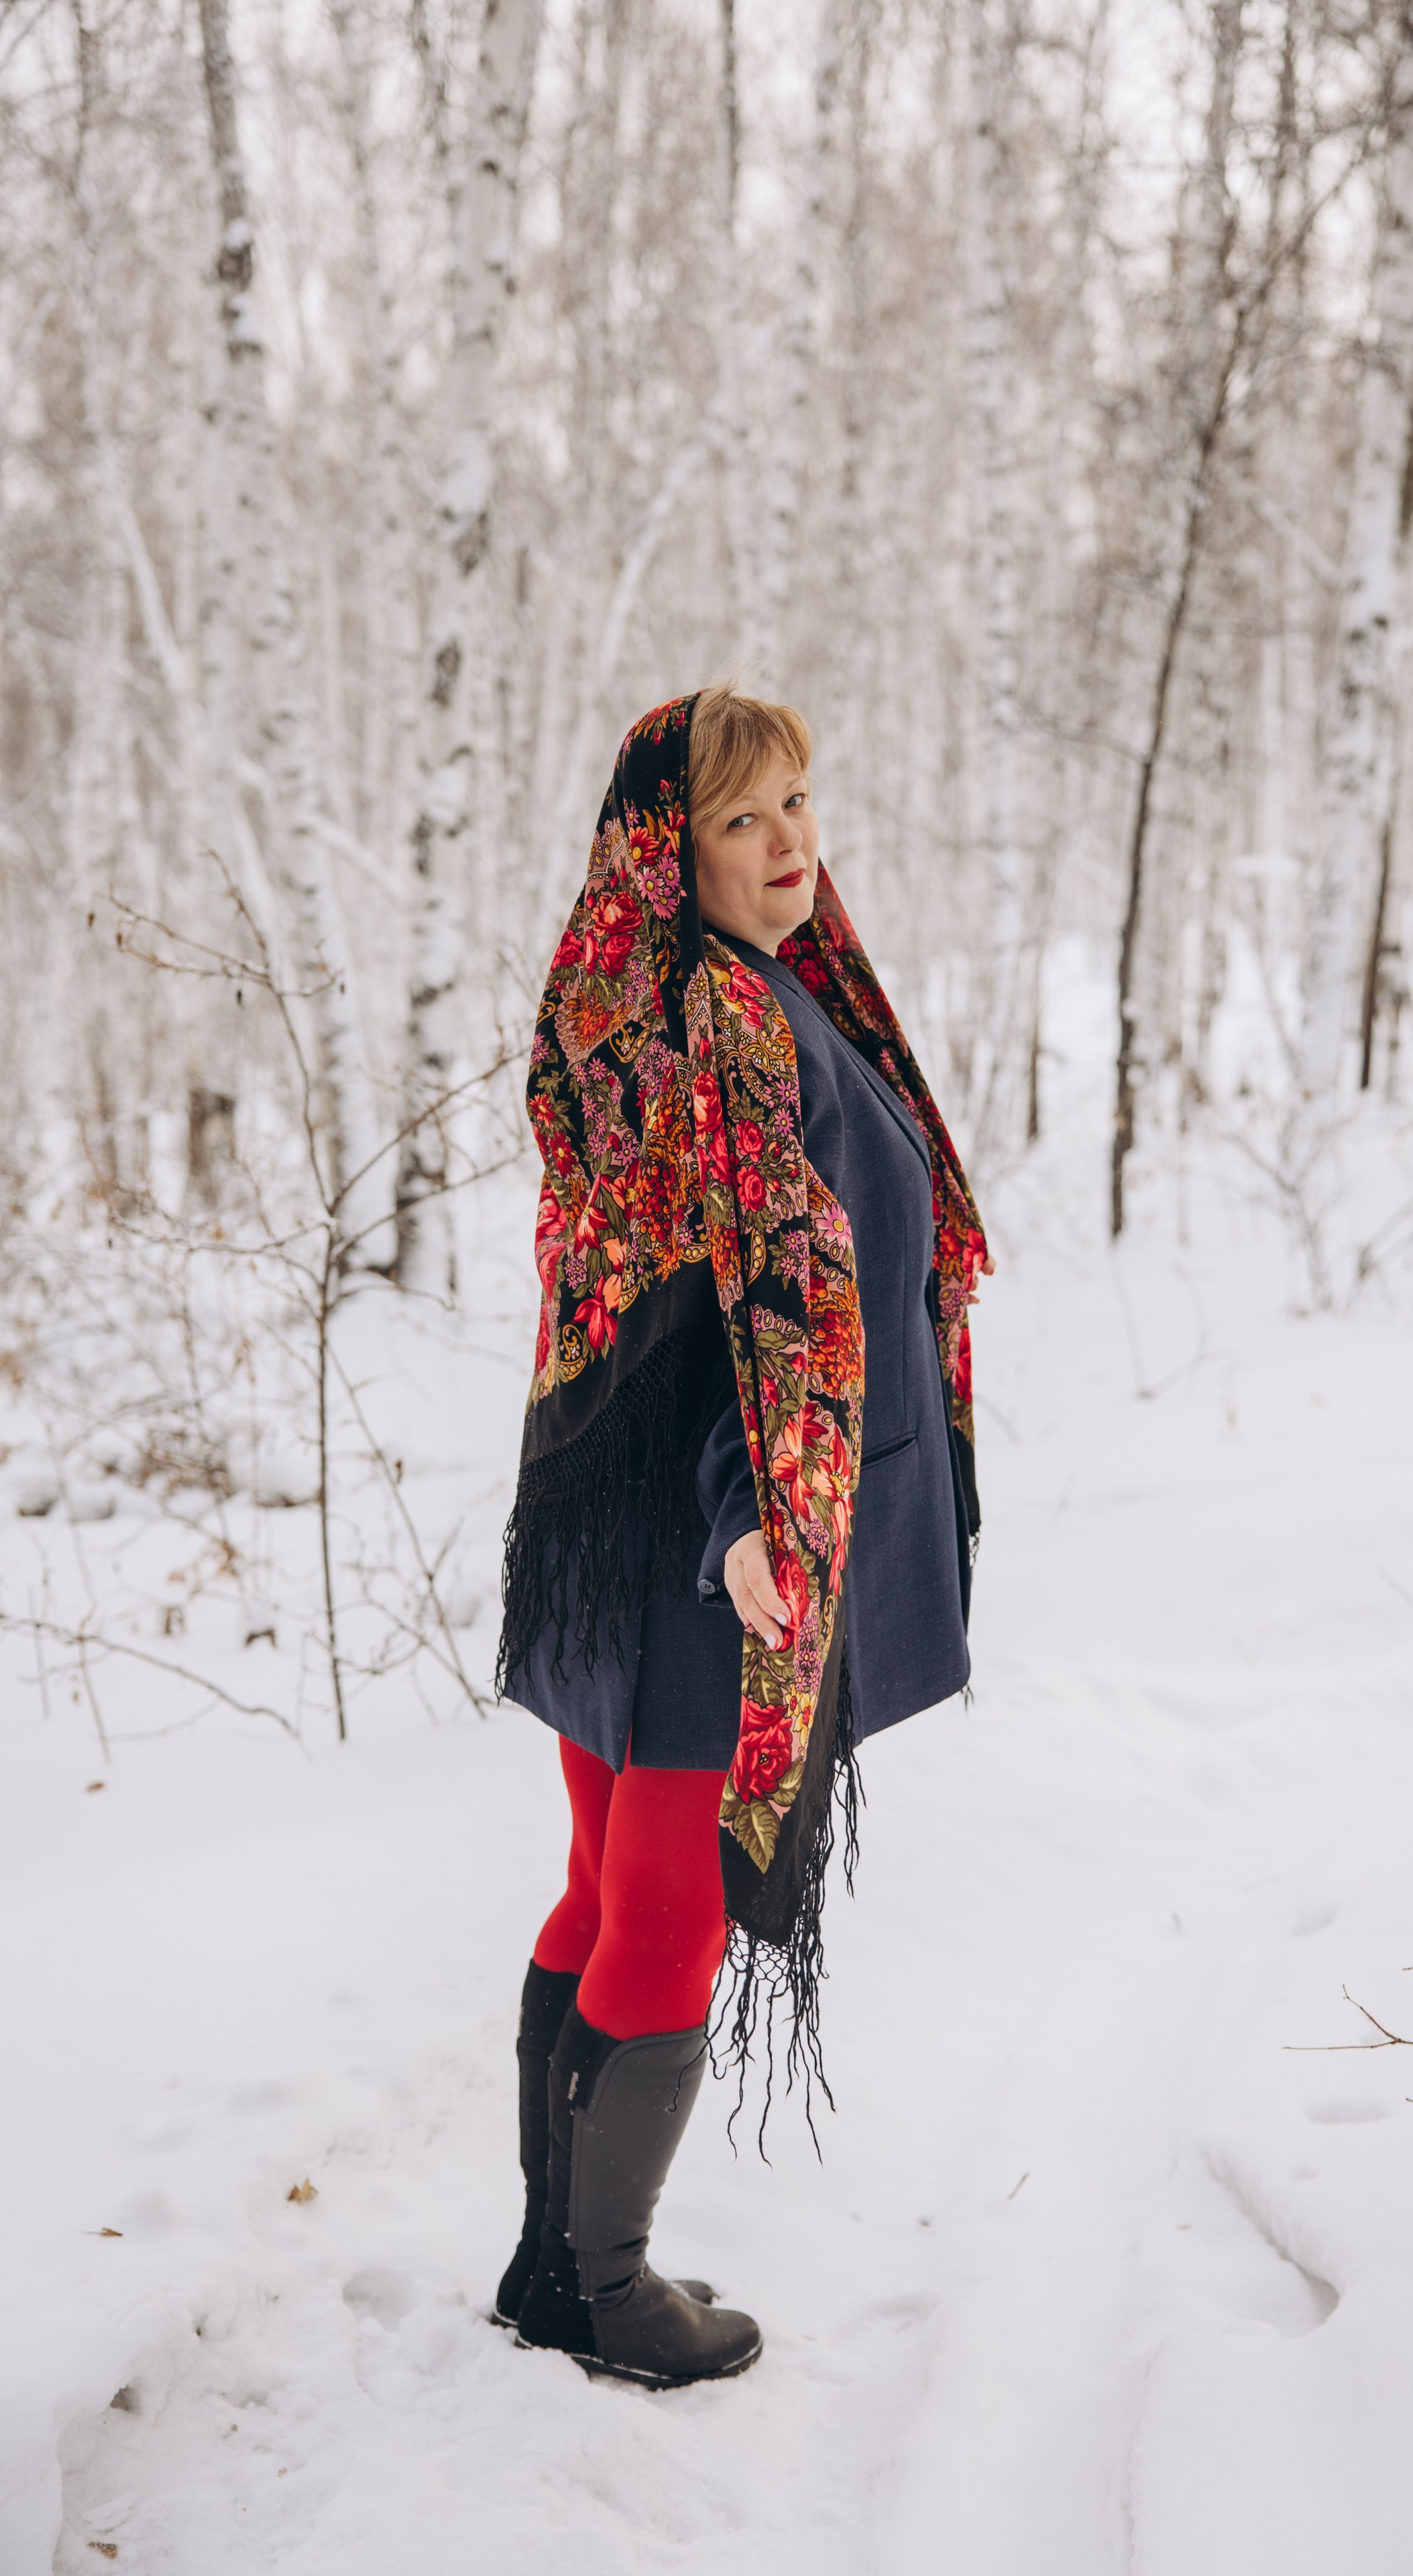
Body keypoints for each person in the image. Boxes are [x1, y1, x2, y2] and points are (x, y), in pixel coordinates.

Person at [492, 686, 990, 2390]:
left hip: (600, 1538)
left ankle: (550, 2260)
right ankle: (608, 2288)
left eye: (797, 803)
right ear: (665, 850)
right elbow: (738, 1310)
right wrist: (744, 1533)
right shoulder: (730, 1026)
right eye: (740, 820)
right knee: (664, 1917)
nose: (791, 845)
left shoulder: (646, 1003)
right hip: (700, 1555)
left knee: (599, 1888)